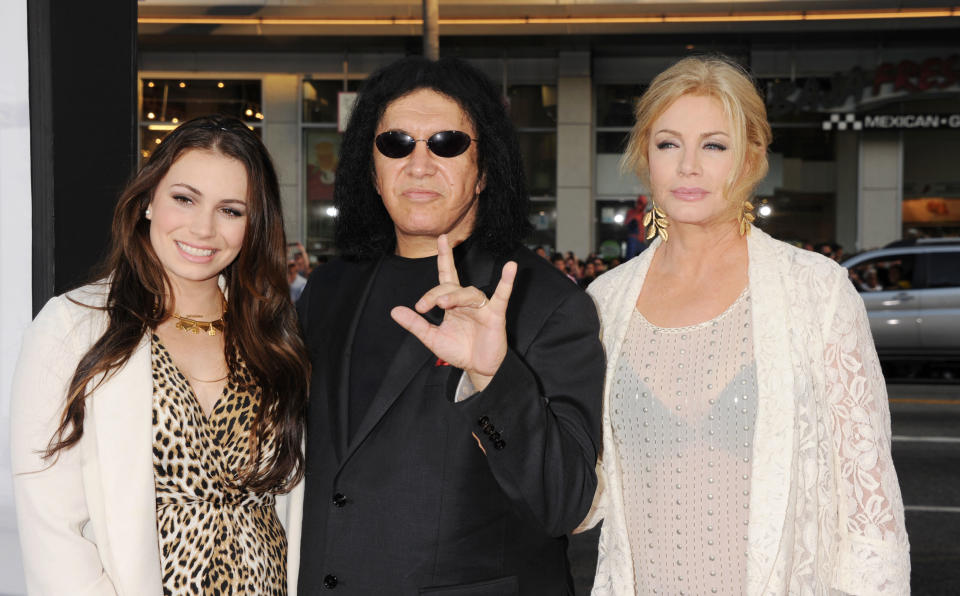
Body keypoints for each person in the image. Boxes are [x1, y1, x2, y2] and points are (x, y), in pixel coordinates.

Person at [578, 56, 910, 595]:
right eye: (668, 144)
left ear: (752, 157)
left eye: (714, 145)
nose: (689, 166)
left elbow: (869, 504)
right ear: (645, 156)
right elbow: (584, 503)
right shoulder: (603, 303)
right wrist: (492, 377)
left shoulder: (816, 291)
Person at [290, 56, 605, 595]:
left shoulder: (543, 302)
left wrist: (495, 377)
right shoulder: (329, 289)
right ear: (371, 167)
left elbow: (565, 503)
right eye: (395, 144)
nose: (418, 164)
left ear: (484, 171)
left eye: (446, 143)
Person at [10, 115, 309, 595]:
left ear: (254, 224)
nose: (204, 228)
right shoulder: (74, 326)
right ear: (149, 199)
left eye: (231, 210)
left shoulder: (272, 334)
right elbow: (52, 524)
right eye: (184, 199)